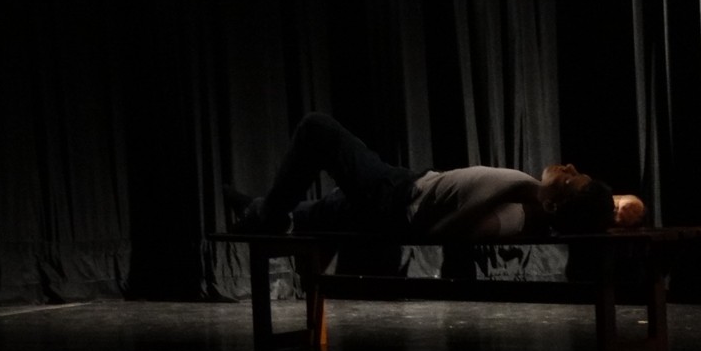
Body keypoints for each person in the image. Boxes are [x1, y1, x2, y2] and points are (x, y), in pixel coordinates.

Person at [225, 112, 645, 238]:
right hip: (401, 193)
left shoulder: (521, 206)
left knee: (316, 128)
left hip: (397, 197)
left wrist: (441, 220)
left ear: (555, 204)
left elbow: (453, 231)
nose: (567, 167)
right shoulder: (530, 200)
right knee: (319, 212)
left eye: (569, 179)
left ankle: (268, 216)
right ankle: (261, 213)